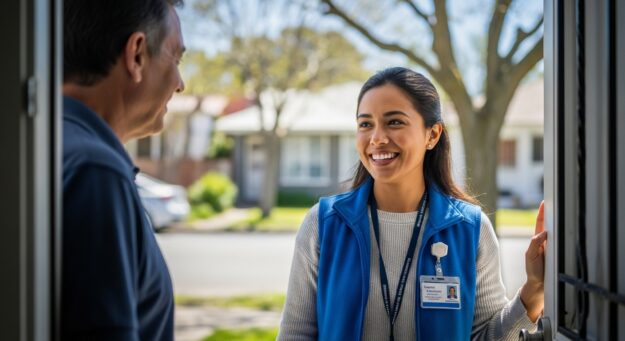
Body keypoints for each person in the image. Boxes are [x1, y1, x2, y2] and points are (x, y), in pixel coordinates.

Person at [278, 67, 547, 340]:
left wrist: (534, 289)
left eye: (394, 122)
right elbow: (295, 334)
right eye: (365, 124)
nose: (377, 138)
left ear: (432, 135)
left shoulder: (471, 229)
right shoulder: (324, 224)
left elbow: (486, 337)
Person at [62, 0, 185, 339]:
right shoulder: (95, 172)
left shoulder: (43, 145)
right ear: (137, 55)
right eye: (177, 59)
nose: (179, 83)